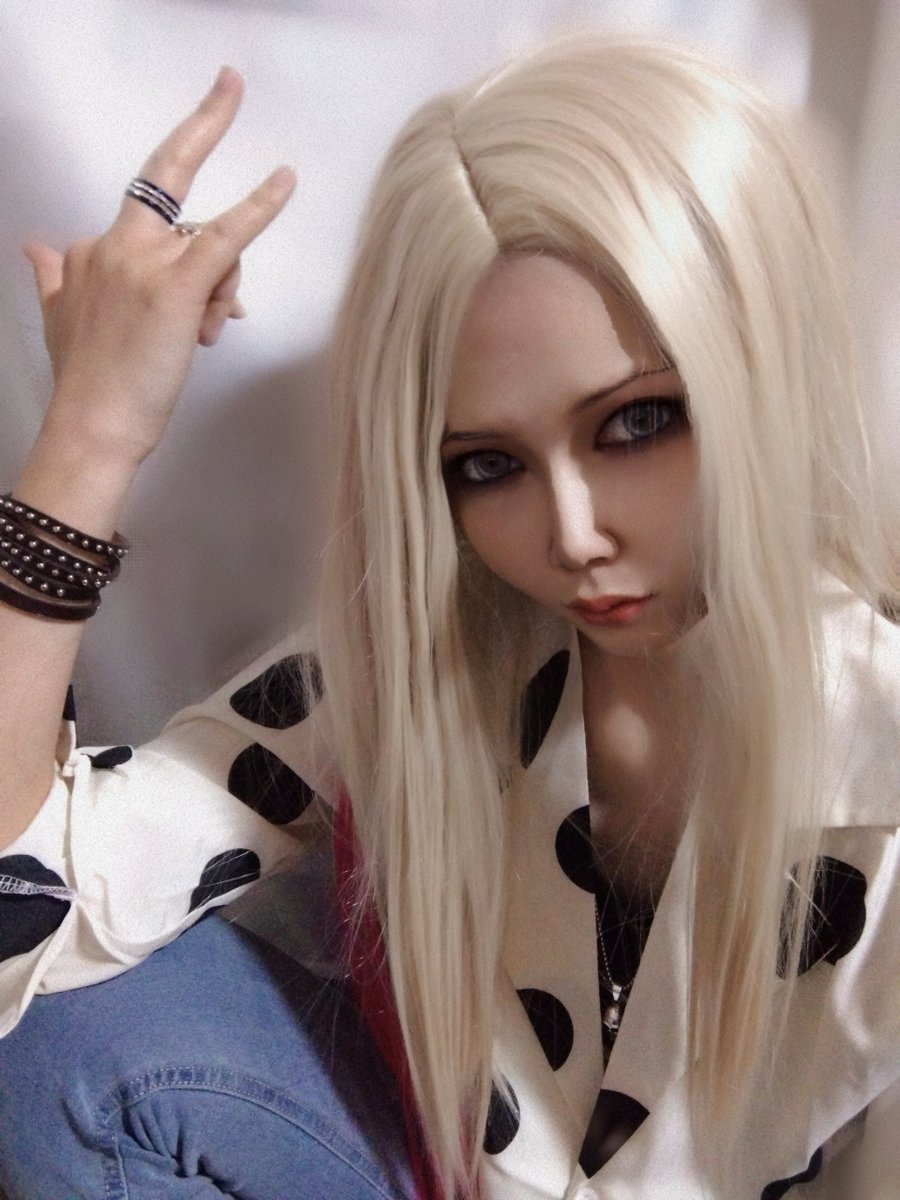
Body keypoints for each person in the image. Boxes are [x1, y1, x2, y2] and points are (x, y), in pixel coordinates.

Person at [0, 34, 897, 1200]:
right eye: (488, 465)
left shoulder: (878, 763)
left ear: (755, 372)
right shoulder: (426, 660)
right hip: (427, 1168)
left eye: (637, 423)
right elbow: (25, 902)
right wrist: (90, 435)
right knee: (51, 1057)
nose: (573, 533)